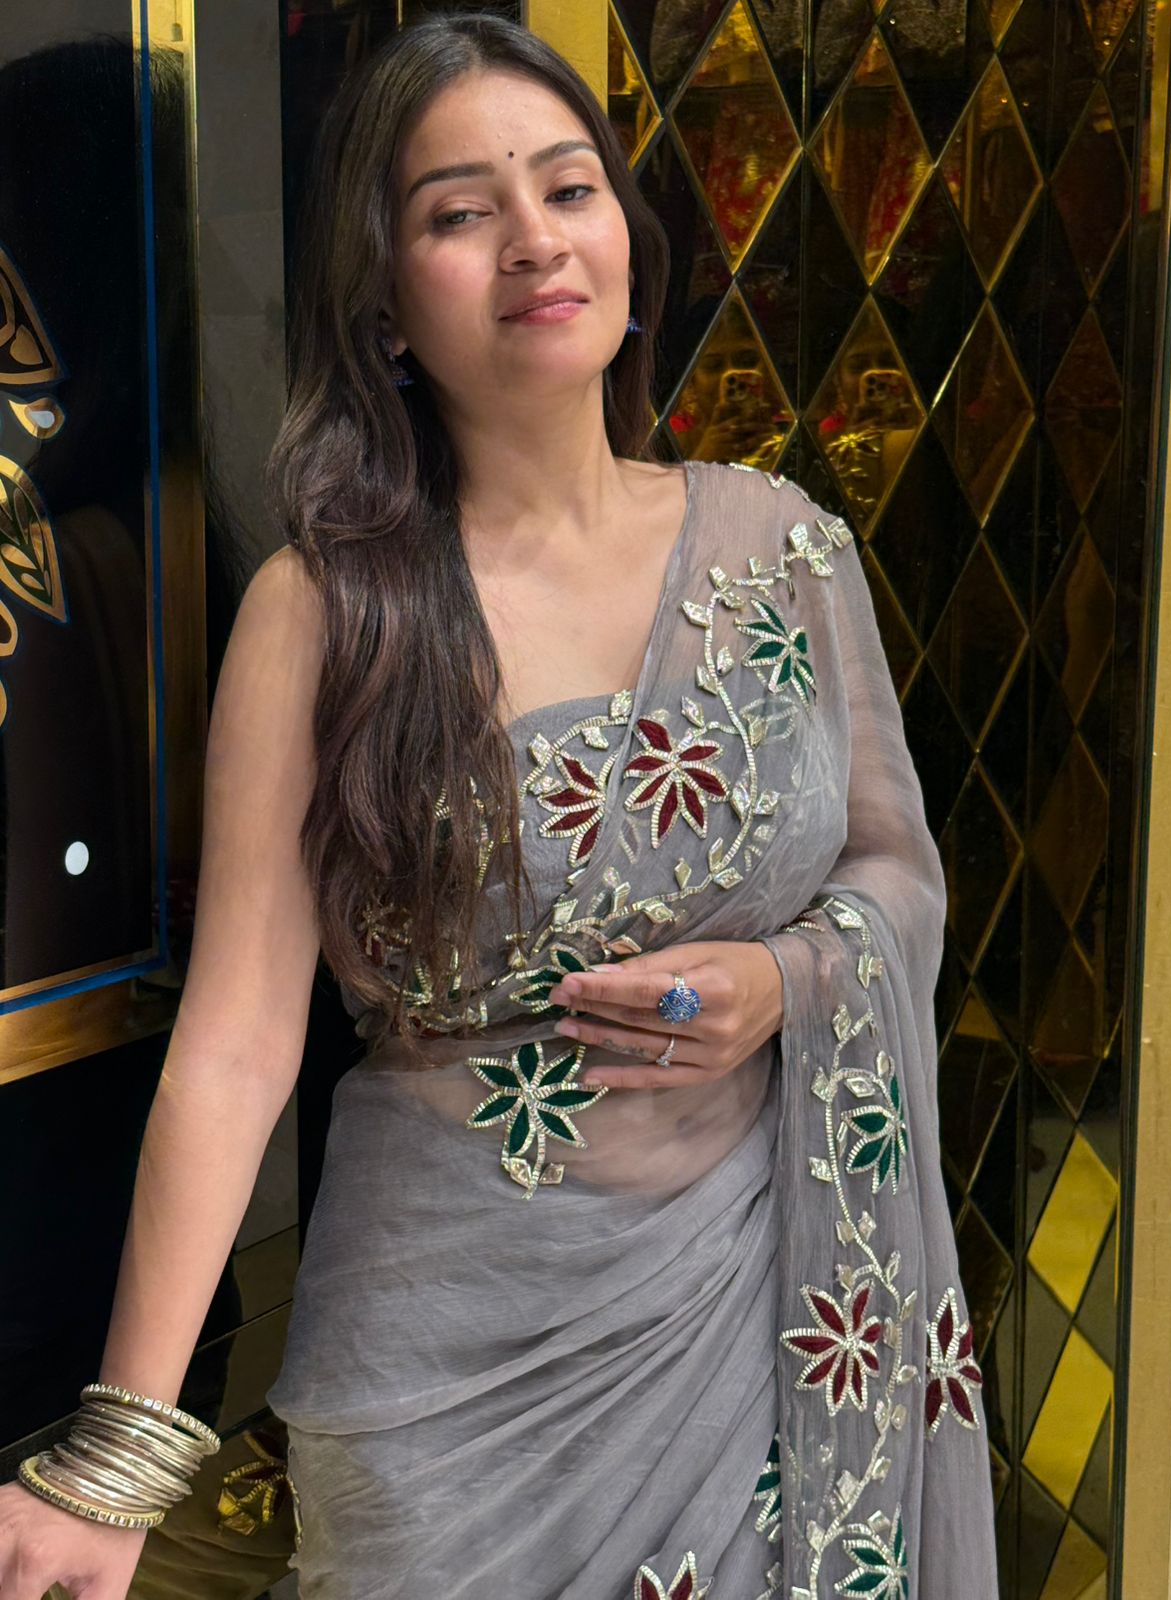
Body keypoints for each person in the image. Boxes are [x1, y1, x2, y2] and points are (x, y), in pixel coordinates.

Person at [0, 11, 998, 1598]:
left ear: (627, 237)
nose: (534, 238)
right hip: (447, 1380)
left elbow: (897, 874)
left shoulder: (785, 552)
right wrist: (121, 1457)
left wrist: (783, 983)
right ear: (385, 301)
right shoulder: (325, 613)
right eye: (460, 212)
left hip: (761, 1322)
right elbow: (243, 1042)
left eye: (567, 188)